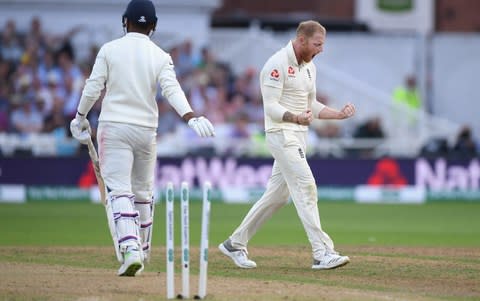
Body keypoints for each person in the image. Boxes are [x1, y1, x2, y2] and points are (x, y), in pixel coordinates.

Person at [69, 0, 215, 277]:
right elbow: (172, 90)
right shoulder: (160, 55)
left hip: (114, 127)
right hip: (146, 130)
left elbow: (92, 87)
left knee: (120, 190)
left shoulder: (110, 50)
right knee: (143, 193)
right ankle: (143, 251)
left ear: (125, 21)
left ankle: (131, 251)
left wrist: (79, 116)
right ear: (154, 26)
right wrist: (191, 116)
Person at [219, 20, 355, 270]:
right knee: (306, 186)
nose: (321, 50)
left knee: (278, 196)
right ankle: (321, 252)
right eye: (318, 44)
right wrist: (295, 117)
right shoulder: (276, 64)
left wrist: (338, 115)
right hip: (281, 132)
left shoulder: (310, 67)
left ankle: (234, 243)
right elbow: (270, 106)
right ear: (302, 40)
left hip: (298, 133)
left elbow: (310, 104)